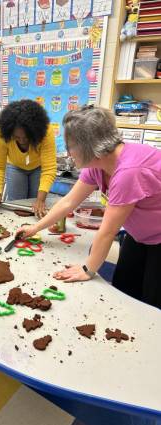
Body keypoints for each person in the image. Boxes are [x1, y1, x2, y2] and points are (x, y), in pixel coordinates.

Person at [17, 105, 161, 309]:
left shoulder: (128, 171)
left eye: (70, 146)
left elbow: (108, 231)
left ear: (88, 145)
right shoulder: (98, 164)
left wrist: (88, 269)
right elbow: (68, 202)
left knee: (152, 301)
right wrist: (34, 228)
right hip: (139, 235)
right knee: (125, 287)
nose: (67, 152)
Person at [0, 99, 57, 218]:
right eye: (17, 137)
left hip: (38, 167)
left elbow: (49, 168)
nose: (22, 141)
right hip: (15, 166)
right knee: (17, 206)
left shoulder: (45, 131)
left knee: (36, 205)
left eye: (26, 137)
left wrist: (41, 200)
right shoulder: (0, 134)